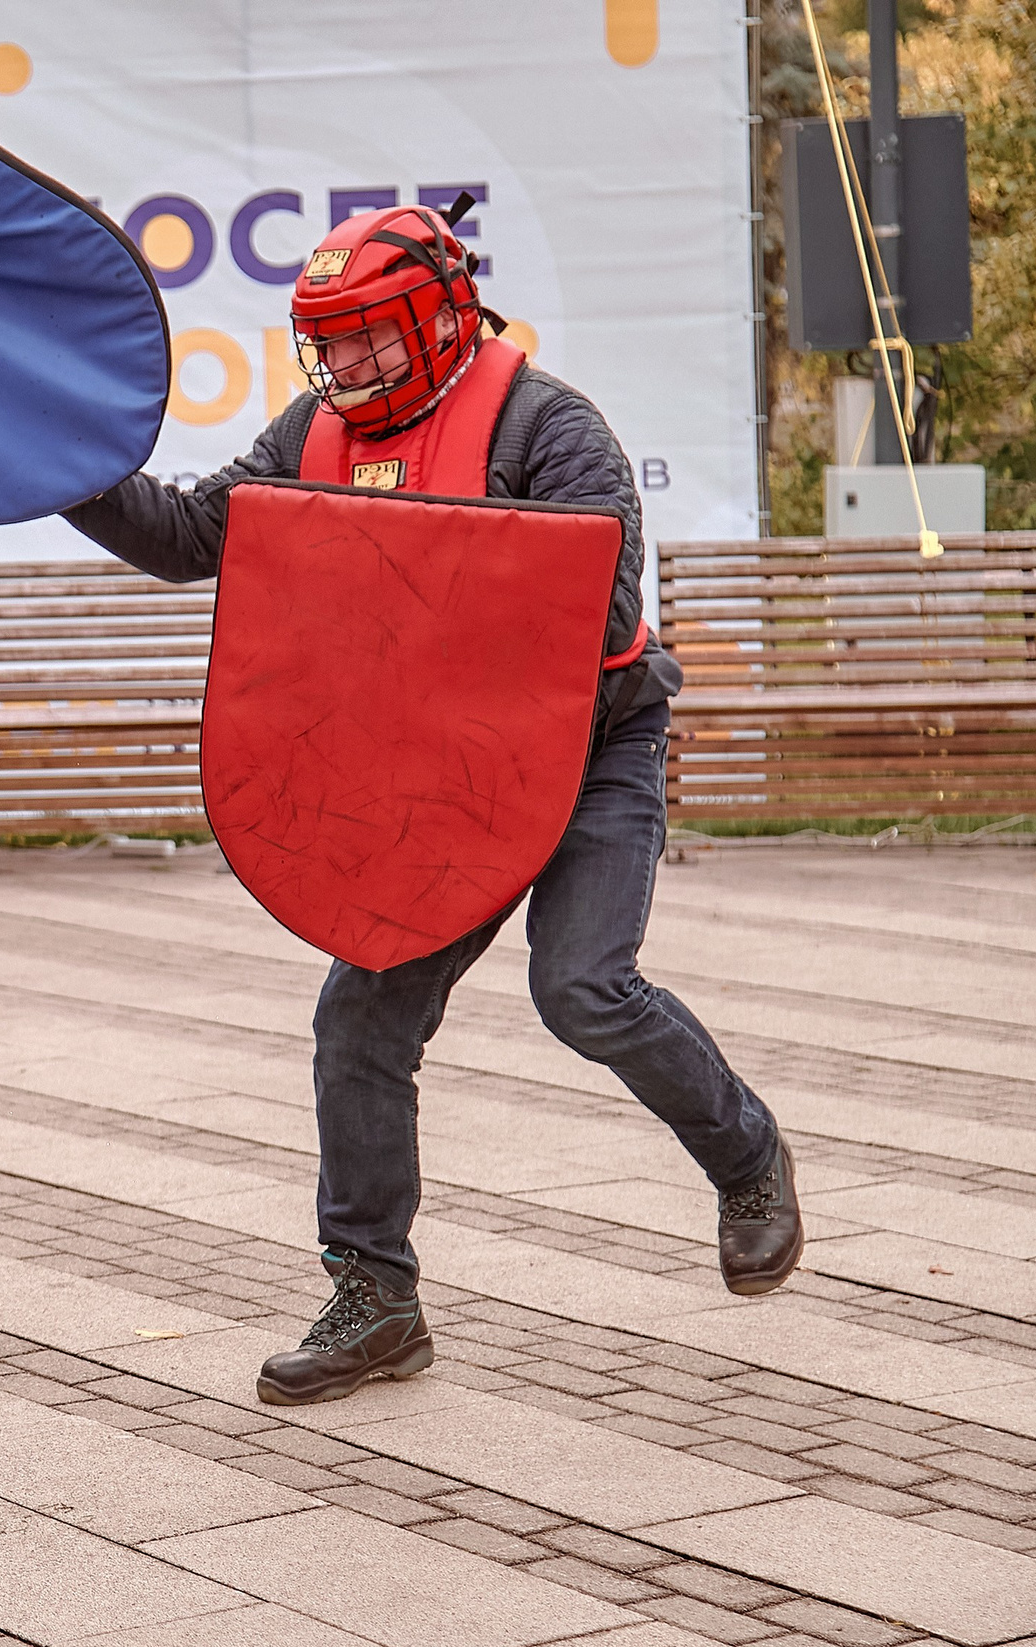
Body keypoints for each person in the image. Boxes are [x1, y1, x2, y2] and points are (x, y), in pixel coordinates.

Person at [64, 201, 802, 1407]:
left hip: (589, 749)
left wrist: (401, 572)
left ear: (441, 319)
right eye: (328, 342)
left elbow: (602, 617)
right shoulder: (313, 430)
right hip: (436, 775)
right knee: (358, 1019)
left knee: (581, 987)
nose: (342, 366)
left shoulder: (550, 428)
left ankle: (746, 1155)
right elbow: (195, 532)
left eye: (367, 340)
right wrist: (65, 468)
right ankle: (375, 1297)